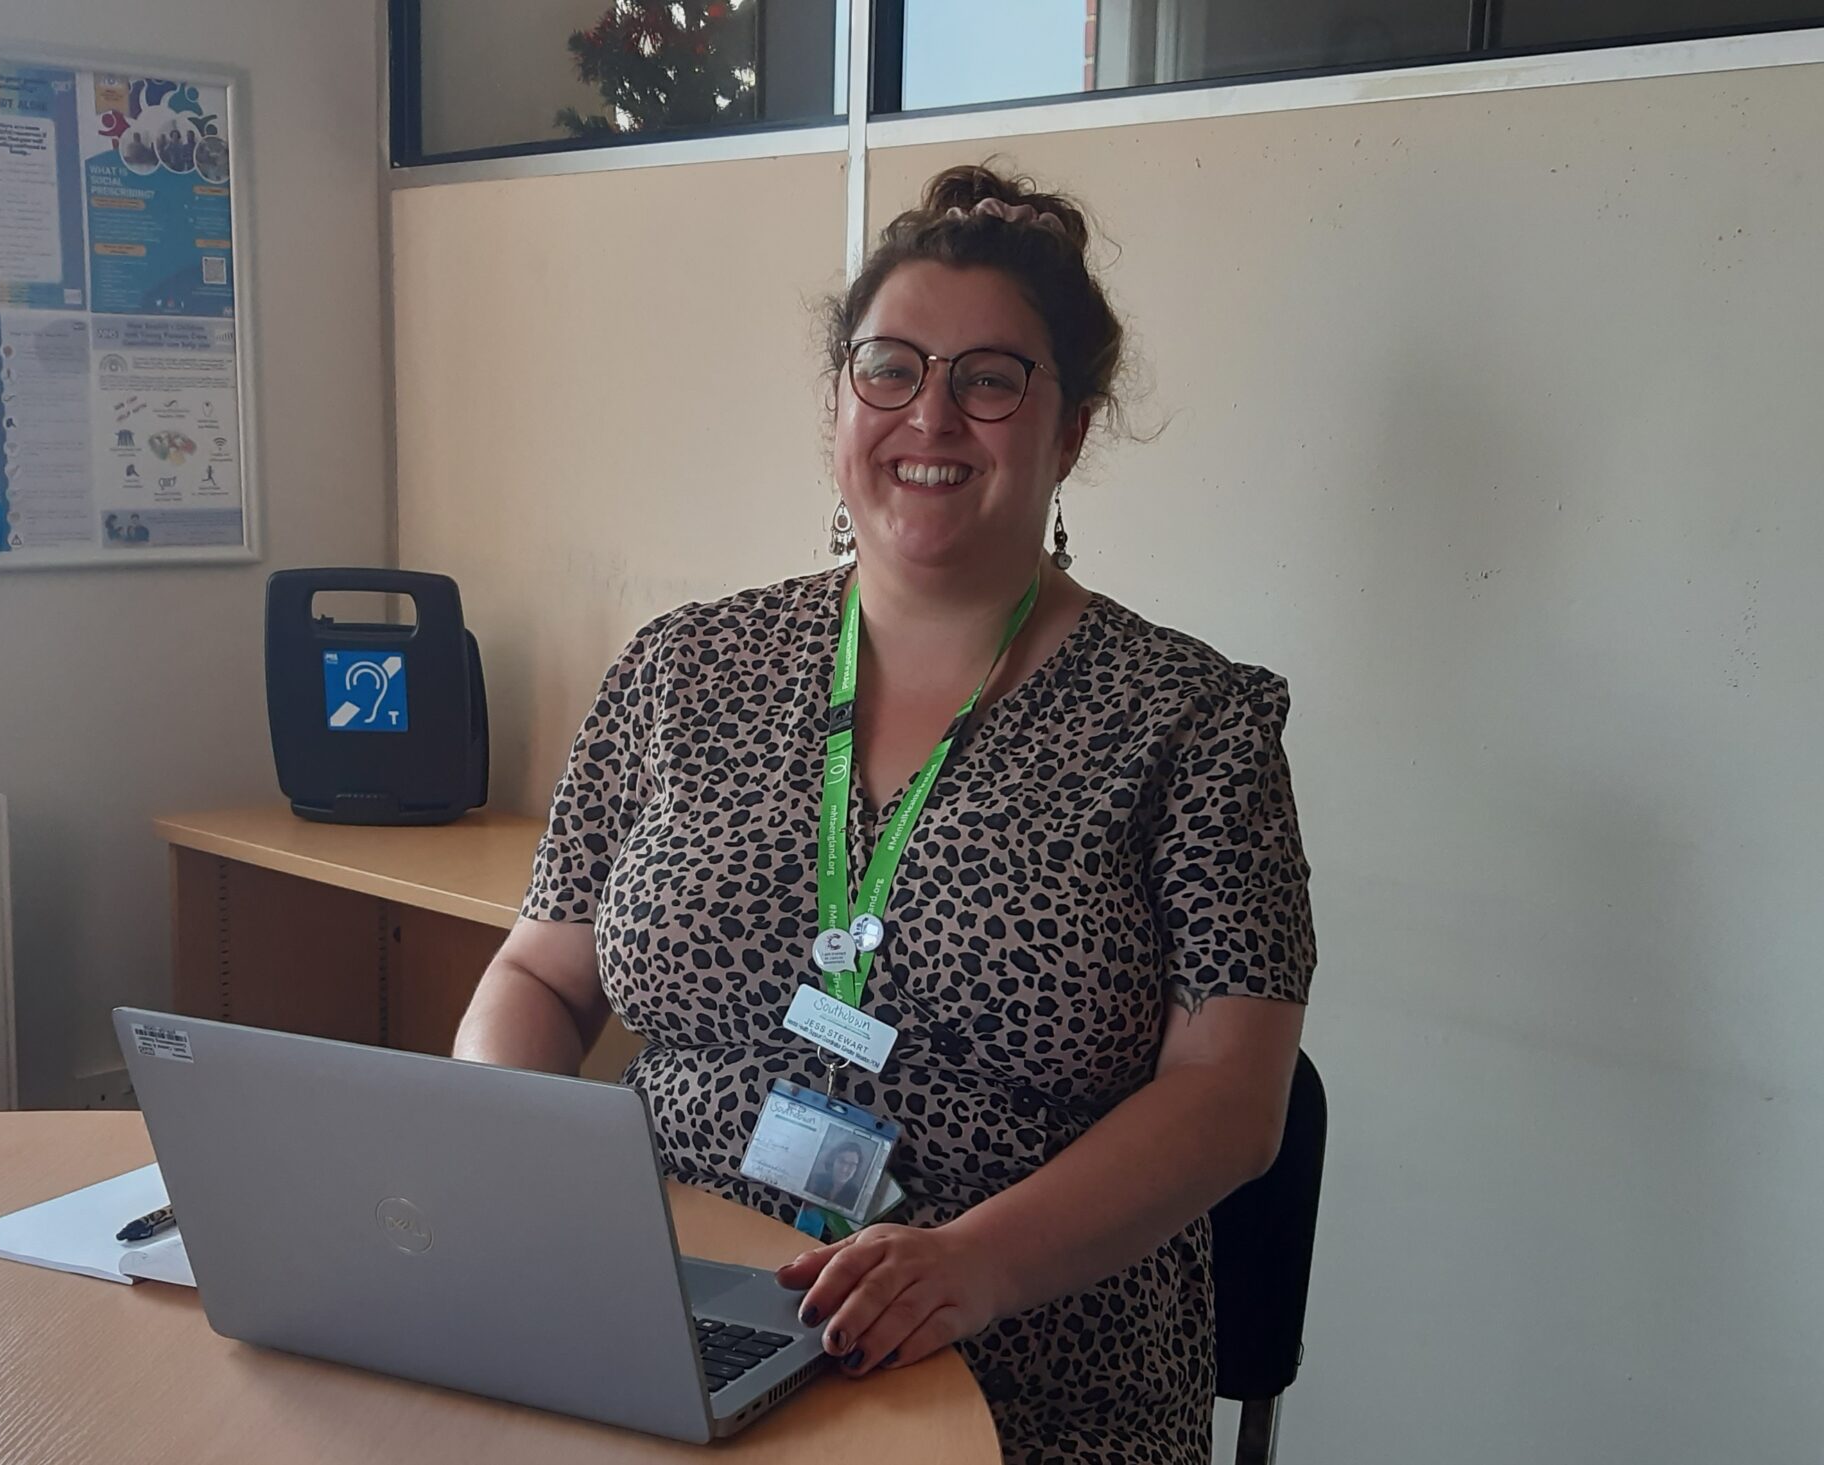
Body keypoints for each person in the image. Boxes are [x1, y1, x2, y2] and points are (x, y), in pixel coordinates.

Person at [454, 163, 1316, 1465]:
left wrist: (970, 1265)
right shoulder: (682, 669)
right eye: (891, 367)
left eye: (990, 378)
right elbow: (540, 970)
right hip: (654, 1314)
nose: (933, 416)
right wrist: (522, 1168)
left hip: (1017, 1356)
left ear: (1069, 430)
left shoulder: (1193, 723)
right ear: (839, 399)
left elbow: (1231, 1099)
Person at [806, 1138, 868, 1213]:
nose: (844, 1169)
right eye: (841, 1161)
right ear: (833, 1161)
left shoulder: (857, 1197)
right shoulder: (814, 1180)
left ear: (857, 1168)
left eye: (852, 1165)